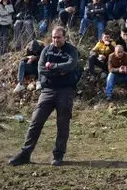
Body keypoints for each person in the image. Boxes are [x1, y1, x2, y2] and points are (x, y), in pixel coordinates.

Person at [9, 26, 80, 167]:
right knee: (35, 122)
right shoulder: (46, 50)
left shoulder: (71, 50)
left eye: (58, 37)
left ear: (64, 37)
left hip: (65, 91)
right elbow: (41, 69)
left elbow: (70, 66)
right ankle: (25, 154)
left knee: (62, 124)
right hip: (47, 91)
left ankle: (58, 155)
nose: (55, 40)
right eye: (54, 37)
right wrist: (58, 71)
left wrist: (52, 67)